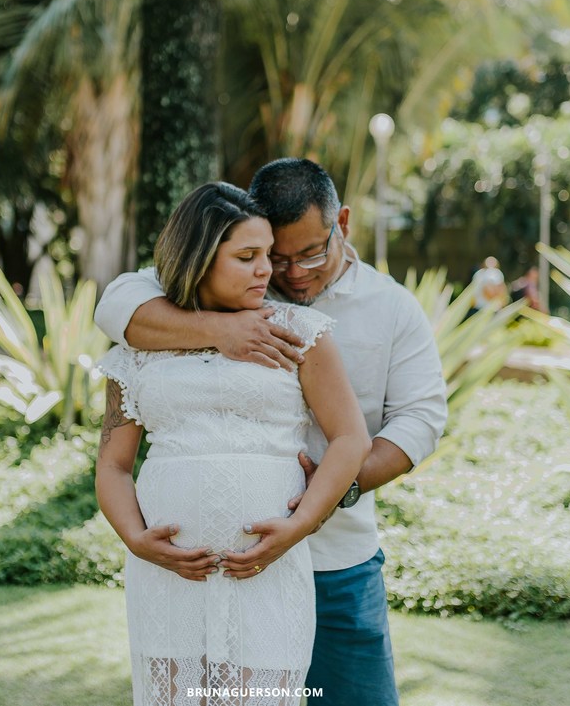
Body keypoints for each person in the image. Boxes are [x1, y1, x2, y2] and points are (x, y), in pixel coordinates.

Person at [95, 158, 447, 705]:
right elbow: (114, 308)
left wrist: (324, 499)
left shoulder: (388, 308)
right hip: (186, 572)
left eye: (309, 254)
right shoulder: (172, 303)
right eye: (269, 256)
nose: (287, 272)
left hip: (334, 555)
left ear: (342, 224)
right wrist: (219, 328)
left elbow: (420, 419)